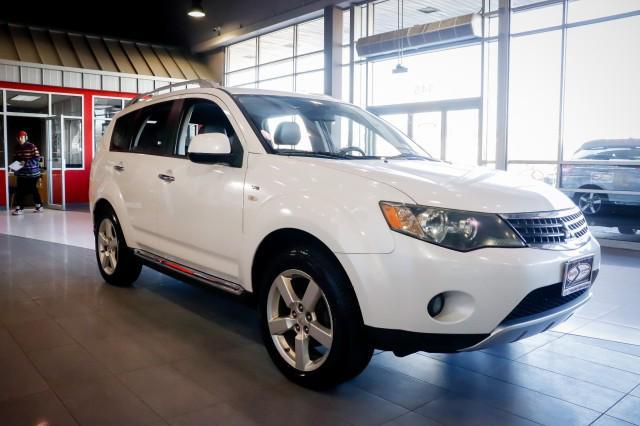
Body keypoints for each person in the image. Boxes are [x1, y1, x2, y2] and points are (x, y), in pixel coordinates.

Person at [12, 130, 44, 215]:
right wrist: (15, 167)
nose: (20, 139)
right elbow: (15, 159)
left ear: (25, 137)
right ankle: (19, 208)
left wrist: (25, 162)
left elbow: (37, 159)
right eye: (18, 137)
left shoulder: (31, 146)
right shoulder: (16, 147)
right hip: (22, 173)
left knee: (32, 189)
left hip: (32, 173)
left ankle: (39, 206)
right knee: (20, 190)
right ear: (16, 138)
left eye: (22, 137)